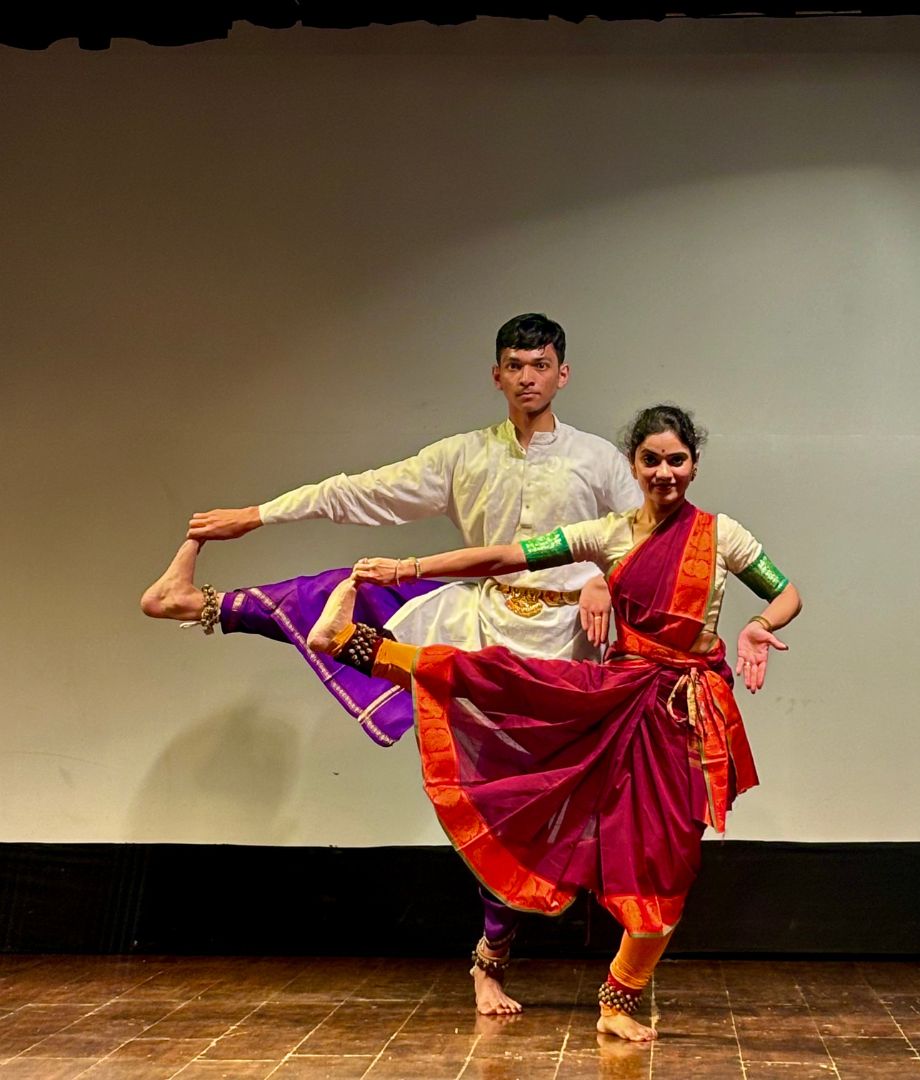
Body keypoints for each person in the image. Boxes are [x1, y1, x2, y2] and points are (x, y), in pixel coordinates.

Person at [140, 313, 641, 1015]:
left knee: (523, 812)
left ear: (563, 374)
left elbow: (646, 540)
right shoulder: (465, 455)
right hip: (480, 631)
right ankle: (203, 603)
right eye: (515, 365)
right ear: (496, 375)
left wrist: (603, 580)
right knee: (352, 596)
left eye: (540, 365)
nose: (527, 377)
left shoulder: (599, 460)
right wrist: (257, 515)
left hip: (566, 651)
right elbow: (359, 491)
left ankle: (494, 956)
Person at [305, 403, 802, 1042]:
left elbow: (786, 592)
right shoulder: (608, 534)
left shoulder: (722, 535)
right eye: (651, 460)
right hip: (619, 697)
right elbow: (505, 557)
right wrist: (409, 568)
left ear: (694, 464)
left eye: (676, 460)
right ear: (634, 465)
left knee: (672, 862)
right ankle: (355, 645)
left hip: (682, 716)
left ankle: (618, 999)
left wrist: (760, 625)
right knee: (507, 681)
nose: (665, 472)